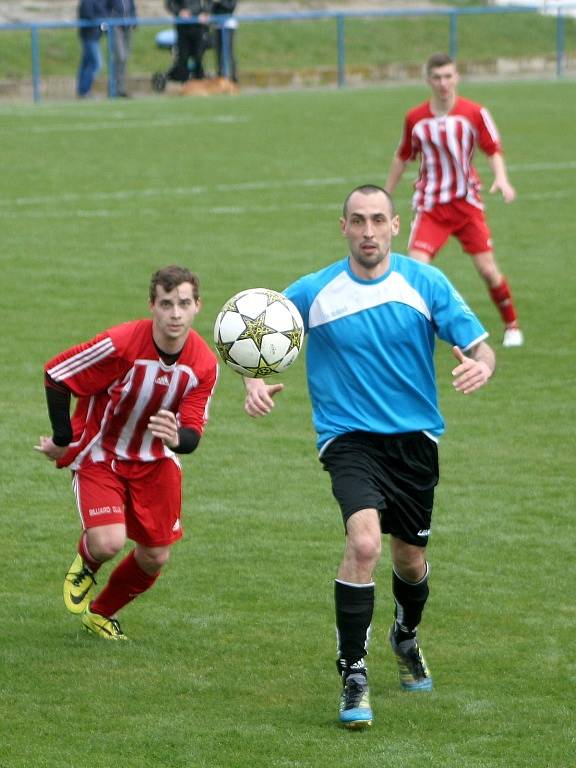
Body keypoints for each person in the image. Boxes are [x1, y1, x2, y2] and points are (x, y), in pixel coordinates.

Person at [243, 185, 495, 729]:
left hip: (415, 443)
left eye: (377, 220)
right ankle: (354, 675)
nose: (367, 231)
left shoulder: (425, 282)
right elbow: (255, 331)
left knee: (410, 561)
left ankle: (404, 636)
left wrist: (485, 363)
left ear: (395, 225)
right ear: (343, 228)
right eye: (357, 220)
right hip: (348, 439)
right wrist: (253, 382)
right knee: (362, 544)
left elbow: (479, 344)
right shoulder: (315, 290)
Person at [35, 266, 218, 640]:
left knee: (156, 556)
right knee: (108, 542)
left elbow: (193, 433)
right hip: (102, 454)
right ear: (152, 305)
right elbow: (56, 374)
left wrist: (175, 439)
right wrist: (62, 436)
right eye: (166, 304)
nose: (175, 314)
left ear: (197, 306)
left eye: (184, 304)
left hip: (156, 462)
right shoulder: (121, 344)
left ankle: (100, 614)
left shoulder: (203, 363)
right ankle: (87, 562)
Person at [384, 53, 523, 348]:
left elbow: (492, 148)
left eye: (448, 76)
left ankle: (512, 324)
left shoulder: (473, 113)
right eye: (437, 77)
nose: (443, 83)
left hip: (466, 204)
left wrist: (502, 178)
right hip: (431, 207)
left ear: (456, 77)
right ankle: (415, 332)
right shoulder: (415, 118)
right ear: (428, 81)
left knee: (487, 270)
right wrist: (385, 194)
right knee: (415, 270)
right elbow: (403, 156)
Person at [165, 0, 211, 82]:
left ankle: (199, 83)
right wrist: (180, 11)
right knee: (183, 58)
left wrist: (205, 12)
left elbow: (209, 2)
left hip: (199, 27)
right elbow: (169, 3)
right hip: (183, 27)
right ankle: (184, 85)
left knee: (198, 57)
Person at [106, 0, 137, 98]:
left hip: (128, 27)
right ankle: (113, 89)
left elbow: (132, 8)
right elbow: (106, 8)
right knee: (120, 57)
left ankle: (121, 89)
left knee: (124, 59)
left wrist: (134, 20)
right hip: (116, 27)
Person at [76, 0, 106, 98]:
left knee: (87, 64)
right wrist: (101, 21)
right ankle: (84, 91)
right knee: (96, 64)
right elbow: (88, 14)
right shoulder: (87, 2)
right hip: (89, 36)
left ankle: (82, 91)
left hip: (95, 36)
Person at [211, 0, 238, 83]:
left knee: (228, 52)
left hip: (228, 25)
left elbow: (231, 6)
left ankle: (233, 78)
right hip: (217, 25)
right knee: (218, 52)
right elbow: (209, 7)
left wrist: (220, 2)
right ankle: (220, 76)